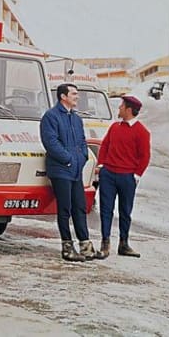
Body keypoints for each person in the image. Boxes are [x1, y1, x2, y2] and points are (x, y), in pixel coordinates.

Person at [40, 83, 98, 261]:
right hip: (60, 170)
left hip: (75, 170)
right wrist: (68, 159)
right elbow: (51, 142)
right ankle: (67, 246)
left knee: (79, 207)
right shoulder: (51, 116)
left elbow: (82, 141)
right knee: (64, 209)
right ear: (63, 96)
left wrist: (82, 158)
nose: (77, 97)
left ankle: (85, 245)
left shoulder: (76, 118)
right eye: (73, 94)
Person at [95, 95, 151, 259]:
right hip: (108, 175)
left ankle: (123, 244)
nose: (119, 108)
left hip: (127, 177)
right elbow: (105, 145)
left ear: (128, 110)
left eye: (121, 106)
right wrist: (101, 165)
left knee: (125, 211)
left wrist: (136, 175)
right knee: (106, 210)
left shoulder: (142, 132)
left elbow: (145, 156)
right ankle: (105, 243)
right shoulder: (114, 127)